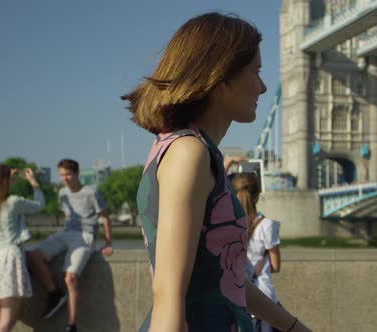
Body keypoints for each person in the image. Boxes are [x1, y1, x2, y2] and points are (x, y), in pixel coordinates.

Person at [122, 12, 311, 332]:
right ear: (222, 78)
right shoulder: (188, 153)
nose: (263, 88)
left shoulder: (188, 148)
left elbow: (228, 281)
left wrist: (292, 327)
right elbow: (168, 295)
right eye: (256, 72)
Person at [27, 159, 113, 332]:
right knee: (33, 255)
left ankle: (71, 325)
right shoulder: (62, 193)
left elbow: (104, 217)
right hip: (66, 233)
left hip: (85, 235)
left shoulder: (91, 192)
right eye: (61, 175)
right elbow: (68, 217)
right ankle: (54, 292)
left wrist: (108, 242)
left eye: (68, 174)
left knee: (70, 278)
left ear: (77, 173)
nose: (64, 178)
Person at [0, 164, 45, 332]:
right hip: (10, 258)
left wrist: (6, 175)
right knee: (6, 320)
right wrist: (33, 183)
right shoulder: (13, 202)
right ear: (5, 181)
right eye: (10, 179)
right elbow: (39, 205)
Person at [232, 172, 282, 332]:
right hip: (263, 298)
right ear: (258, 195)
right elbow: (275, 266)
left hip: (236, 298)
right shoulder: (266, 225)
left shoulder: (229, 224)